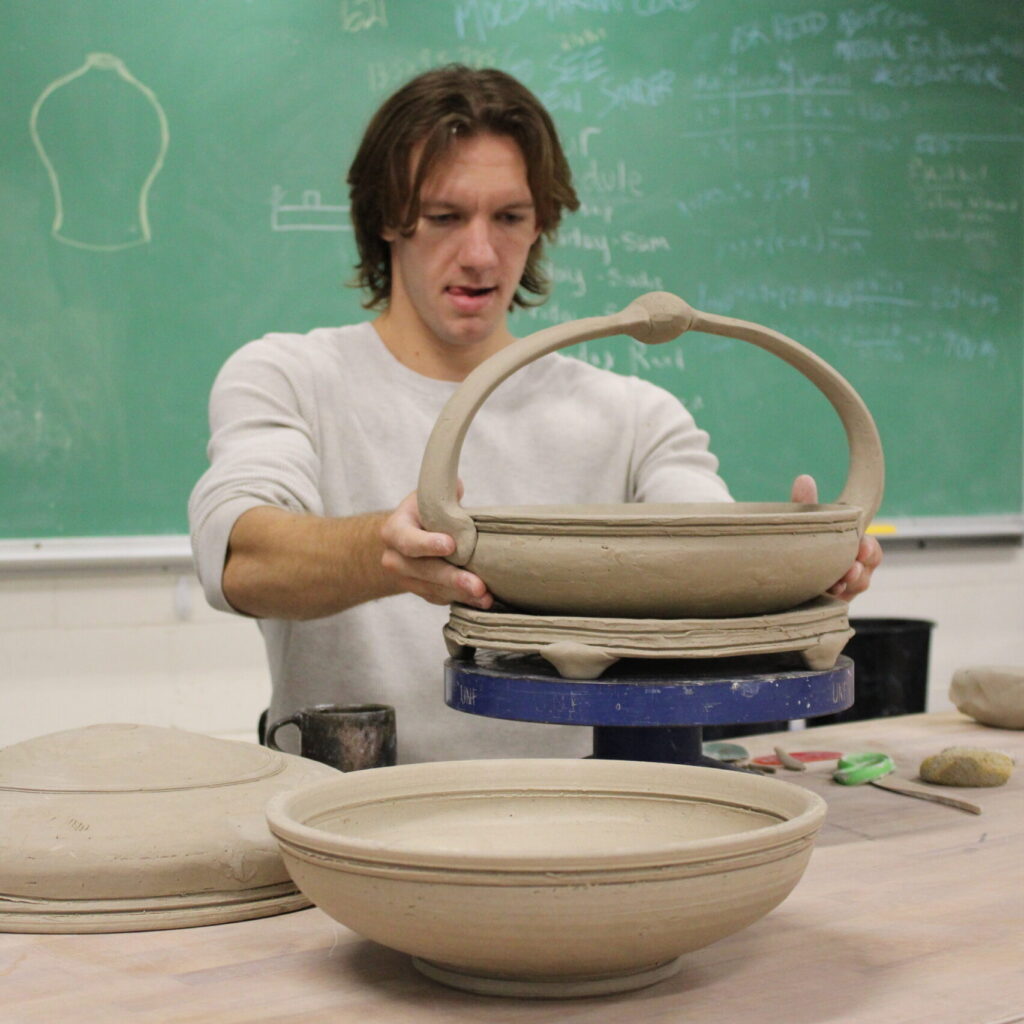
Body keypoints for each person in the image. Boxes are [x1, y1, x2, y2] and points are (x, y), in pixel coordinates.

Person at [189, 66, 881, 762]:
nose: (480, 255)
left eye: (510, 218)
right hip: (350, 806)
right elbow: (239, 560)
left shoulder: (633, 416)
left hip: (582, 806)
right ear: (385, 218)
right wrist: (387, 551)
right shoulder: (292, 377)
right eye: (444, 217)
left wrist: (795, 568)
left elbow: (706, 557)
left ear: (541, 222)